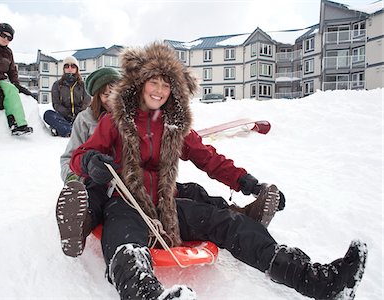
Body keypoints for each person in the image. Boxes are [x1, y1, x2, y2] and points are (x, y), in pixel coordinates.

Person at [67, 42, 367, 300]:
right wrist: (91, 161)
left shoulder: (175, 126)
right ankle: (147, 294)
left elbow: (208, 158)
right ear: (141, 83)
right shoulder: (116, 120)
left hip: (167, 206)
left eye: (166, 84)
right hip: (127, 201)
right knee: (125, 241)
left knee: (229, 222)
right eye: (153, 82)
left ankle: (317, 281)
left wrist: (247, 182)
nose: (159, 90)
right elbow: (78, 155)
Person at [56, 67, 285, 259]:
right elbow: (71, 158)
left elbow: (207, 156)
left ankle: (244, 214)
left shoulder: (154, 120)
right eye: (105, 94)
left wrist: (246, 182)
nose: (111, 98)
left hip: (145, 188)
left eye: (115, 91)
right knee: (94, 193)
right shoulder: (88, 121)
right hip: (102, 182)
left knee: (192, 191)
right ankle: (79, 225)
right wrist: (83, 171)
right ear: (96, 97)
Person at [43, 56, 91, 137]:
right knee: (48, 114)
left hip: (80, 116)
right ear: (63, 69)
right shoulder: (57, 85)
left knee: (91, 117)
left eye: (73, 66)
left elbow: (87, 101)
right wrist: (67, 113)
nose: (69, 68)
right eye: (66, 66)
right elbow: (56, 104)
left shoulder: (83, 85)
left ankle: (66, 129)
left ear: (77, 69)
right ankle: (71, 130)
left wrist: (78, 112)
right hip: (63, 117)